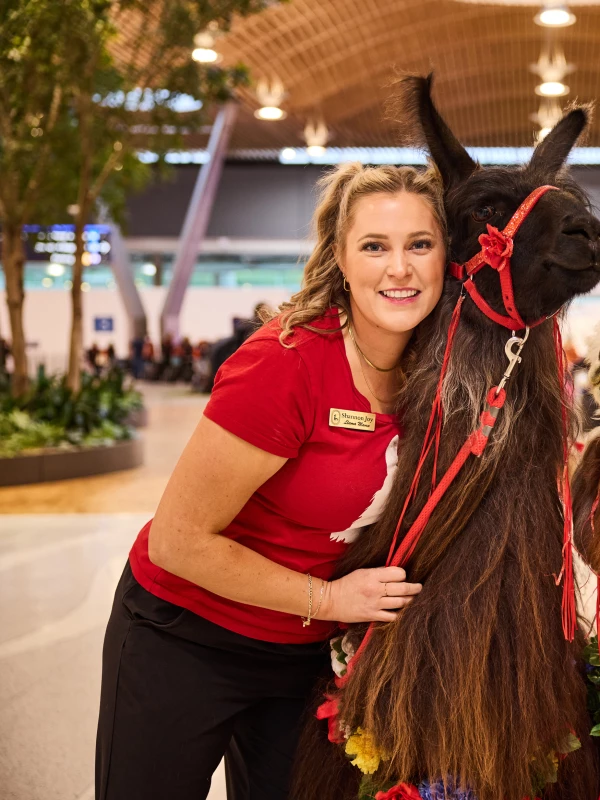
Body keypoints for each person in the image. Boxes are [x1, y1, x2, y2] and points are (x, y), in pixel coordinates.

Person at [95, 163, 447, 800]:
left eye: (419, 244)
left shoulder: (439, 376)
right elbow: (179, 540)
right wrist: (334, 601)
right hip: (186, 635)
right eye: (374, 246)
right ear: (339, 258)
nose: (400, 268)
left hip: (303, 658)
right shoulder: (286, 362)